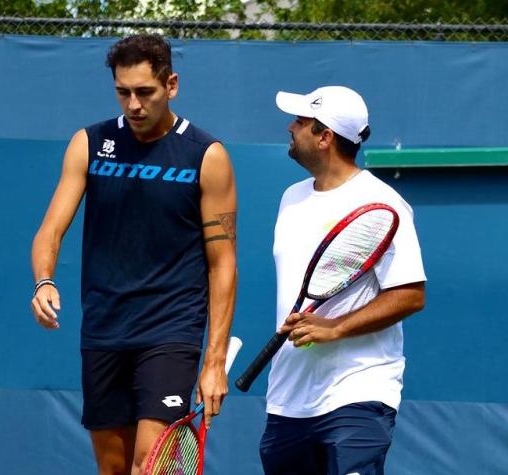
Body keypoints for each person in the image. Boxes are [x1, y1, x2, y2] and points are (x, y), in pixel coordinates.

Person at [29, 34, 237, 475]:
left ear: (172, 85)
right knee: (114, 468)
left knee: (151, 465)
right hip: (104, 329)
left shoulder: (207, 156)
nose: (134, 104)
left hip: (170, 329)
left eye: (145, 92)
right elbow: (50, 231)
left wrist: (214, 361)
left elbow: (223, 264)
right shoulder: (89, 143)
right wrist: (44, 279)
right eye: (123, 92)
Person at [259, 86, 426, 475]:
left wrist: (334, 327)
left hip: (358, 392)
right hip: (288, 398)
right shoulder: (291, 198)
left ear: (324, 137)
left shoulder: (384, 203)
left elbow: (410, 295)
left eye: (300, 122)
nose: (290, 127)